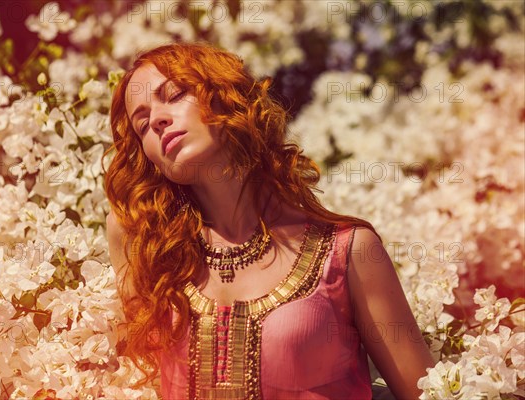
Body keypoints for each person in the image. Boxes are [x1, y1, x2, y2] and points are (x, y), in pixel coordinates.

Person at [104, 41, 435, 400]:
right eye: (142, 125)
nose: (156, 120)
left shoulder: (347, 251)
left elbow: (426, 394)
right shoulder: (149, 250)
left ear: (225, 95)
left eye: (175, 94)